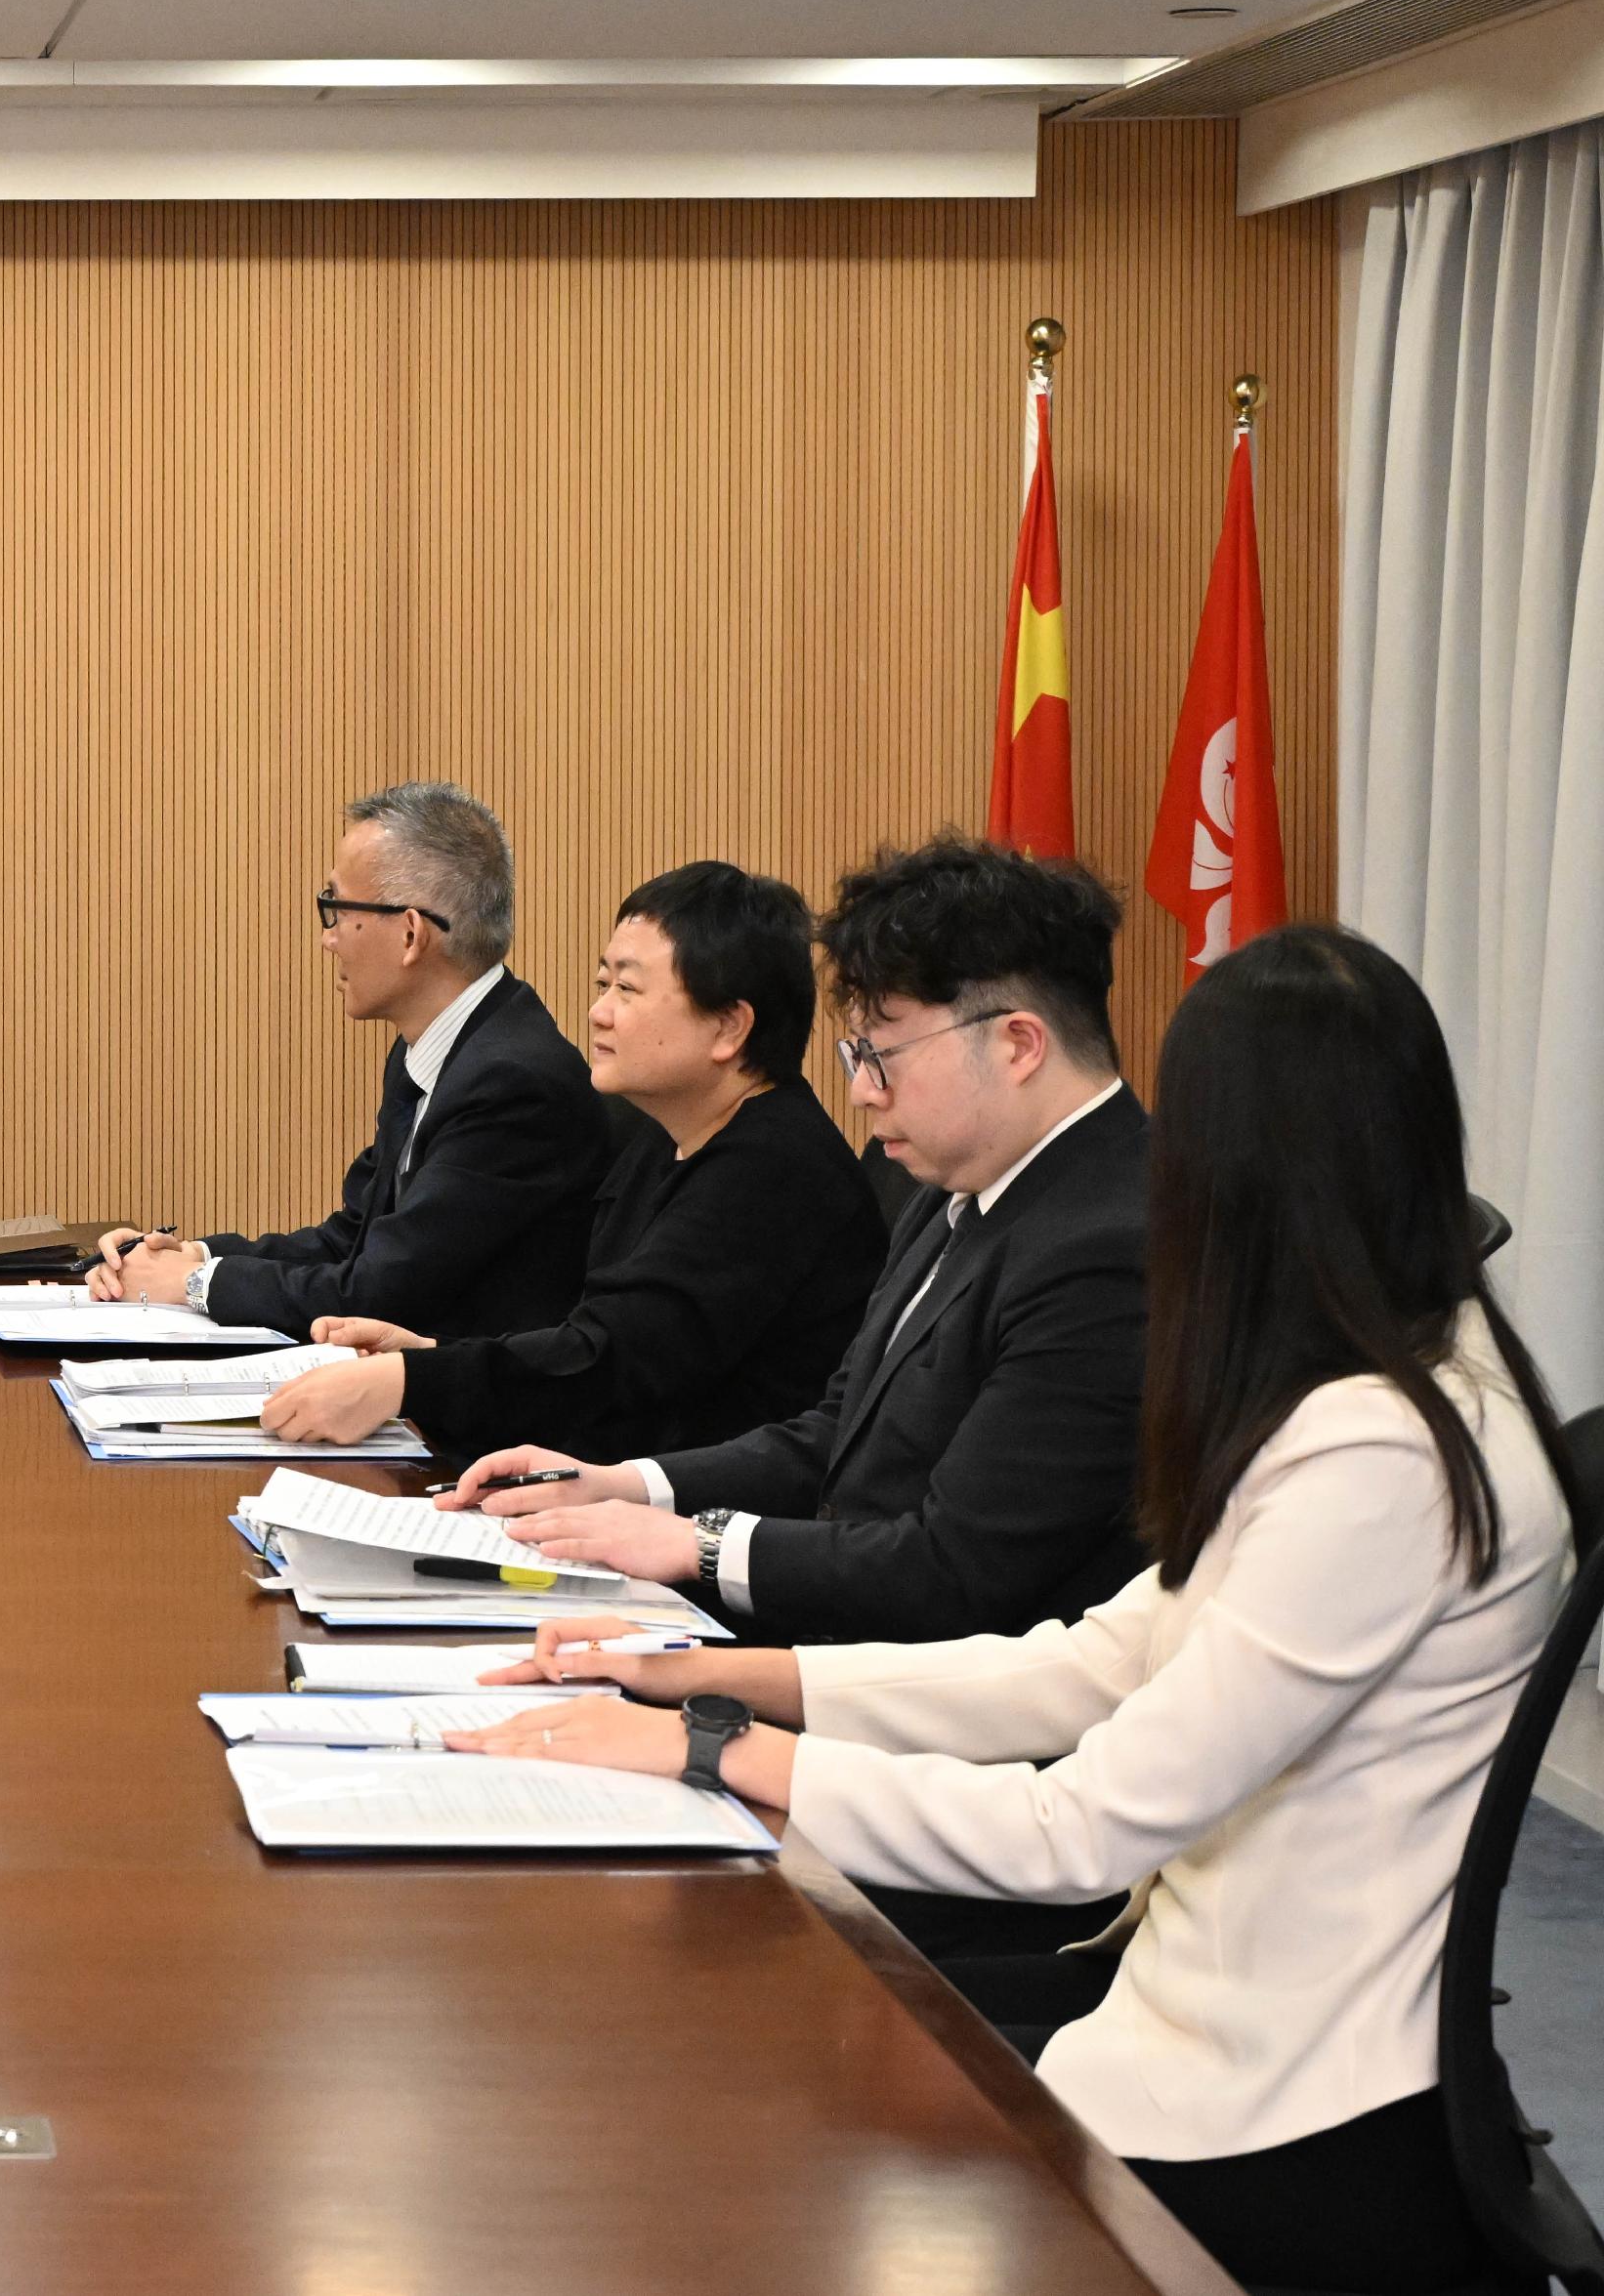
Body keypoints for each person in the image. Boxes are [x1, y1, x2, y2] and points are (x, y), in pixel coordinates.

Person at [455, 926, 1574, 2296]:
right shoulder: (1381, 1390)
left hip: (1277, 2108)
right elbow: (1093, 1662)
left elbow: (1080, 1823)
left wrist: (718, 1753)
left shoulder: (1378, 1455)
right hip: (1196, 2021)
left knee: (736, 2121)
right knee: (737, 2051)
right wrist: (733, 1681)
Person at [443, 835, 1151, 1650]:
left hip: (936, 1692)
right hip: (842, 1632)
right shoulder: (955, 1181)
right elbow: (836, 1433)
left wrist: (701, 1546)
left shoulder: (1112, 1247)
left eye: (882, 1053)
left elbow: (956, 1571)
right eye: (857, 1054)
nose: (861, 1091)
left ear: (1018, 1044)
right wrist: (624, 1486)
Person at [253, 862, 881, 1467]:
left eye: (627, 989)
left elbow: (612, 1363)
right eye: (603, 984)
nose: (598, 1012)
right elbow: (585, 1338)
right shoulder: (663, 1136)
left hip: (698, 1520)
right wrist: (430, 1352)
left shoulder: (774, 1170)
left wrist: (411, 1380)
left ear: (728, 1027)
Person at [92, 781, 606, 1337]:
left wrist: (197, 1284)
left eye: (336, 908)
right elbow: (353, 1239)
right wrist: (194, 1255)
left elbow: (382, 1292)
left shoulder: (512, 1082)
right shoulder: (439, 1049)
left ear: (410, 934)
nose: (328, 939)